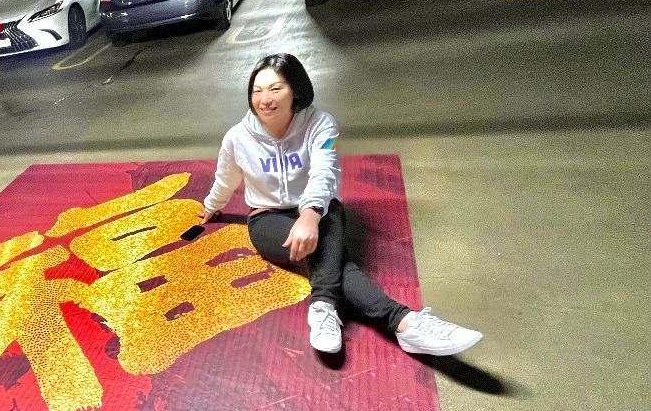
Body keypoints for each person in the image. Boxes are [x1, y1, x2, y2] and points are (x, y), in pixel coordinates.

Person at [199, 53, 482, 356]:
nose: (265, 99)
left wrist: (309, 214)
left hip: (320, 209)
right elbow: (225, 179)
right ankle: (402, 321)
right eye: (257, 90)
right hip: (267, 217)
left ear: (296, 89)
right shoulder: (237, 138)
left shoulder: (322, 125)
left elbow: (325, 170)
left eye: (276, 88)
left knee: (323, 243)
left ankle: (325, 305)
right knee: (329, 257)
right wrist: (211, 205)